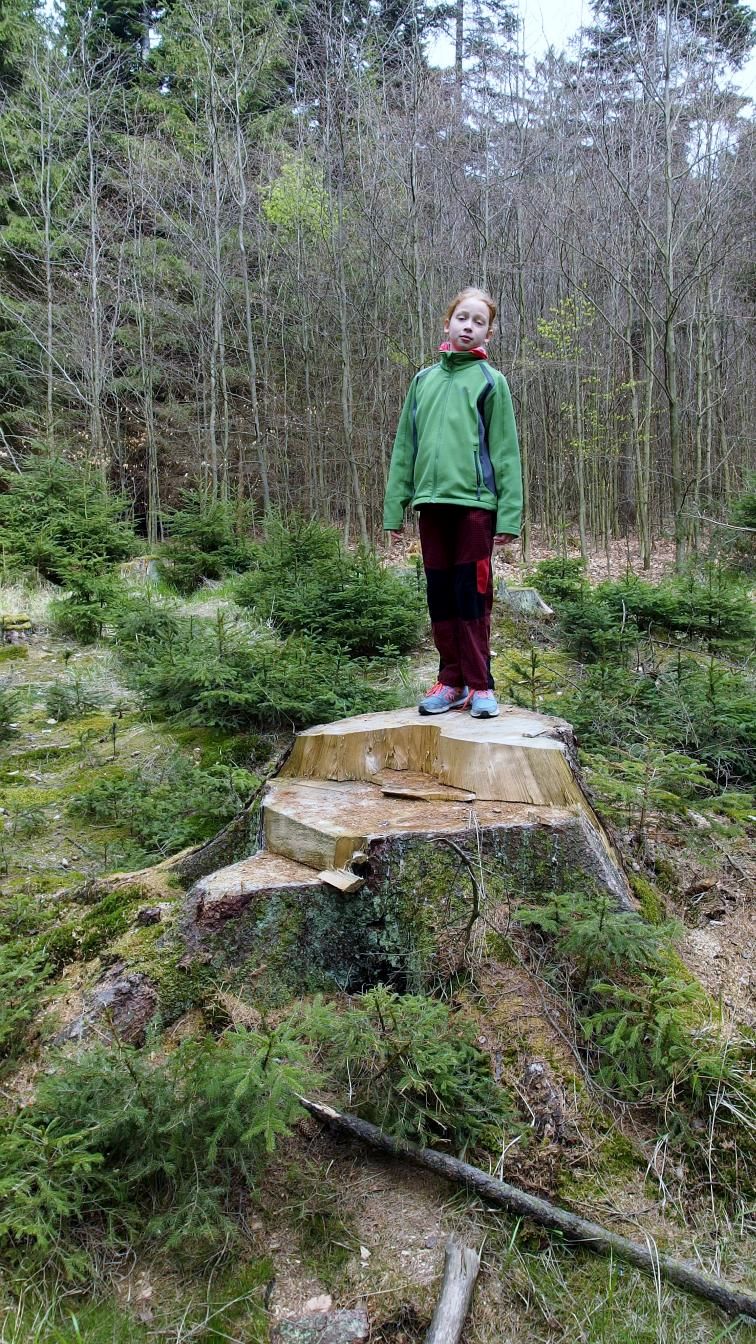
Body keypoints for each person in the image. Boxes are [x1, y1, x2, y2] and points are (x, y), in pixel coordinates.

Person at [383, 287, 522, 718]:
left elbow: (506, 452)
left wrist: (509, 516)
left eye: (479, 322)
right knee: (440, 596)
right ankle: (450, 682)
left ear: (488, 334)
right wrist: (394, 507)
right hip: (431, 505)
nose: (468, 326)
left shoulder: (491, 383)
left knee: (472, 595)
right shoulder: (422, 381)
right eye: (462, 318)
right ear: (447, 324)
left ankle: (480, 685)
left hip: (475, 508)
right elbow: (405, 447)